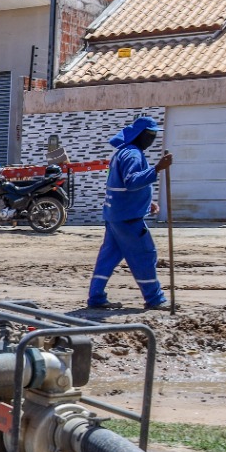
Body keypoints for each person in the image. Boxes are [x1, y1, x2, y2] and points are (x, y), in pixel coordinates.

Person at [87, 116, 173, 311]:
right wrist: (157, 168)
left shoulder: (123, 153)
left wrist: (147, 202)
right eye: (150, 135)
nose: (153, 139)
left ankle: (96, 297)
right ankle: (155, 299)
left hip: (115, 216)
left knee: (108, 258)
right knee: (144, 255)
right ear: (140, 134)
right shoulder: (133, 155)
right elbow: (132, 182)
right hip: (128, 219)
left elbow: (122, 185)